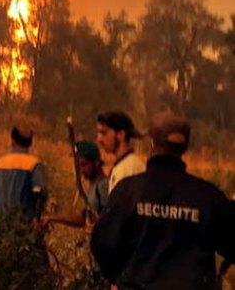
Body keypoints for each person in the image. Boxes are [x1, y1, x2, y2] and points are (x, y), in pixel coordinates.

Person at [91, 111, 235, 290]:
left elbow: (102, 244)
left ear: (152, 142)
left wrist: (121, 277)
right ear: (186, 147)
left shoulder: (128, 191)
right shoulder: (208, 197)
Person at [40, 140, 109, 228]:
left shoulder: (103, 186)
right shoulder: (93, 185)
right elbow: (83, 219)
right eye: (79, 166)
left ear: (96, 162)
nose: (81, 170)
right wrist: (52, 218)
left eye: (84, 165)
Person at [0, 125, 47, 224]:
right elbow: (39, 193)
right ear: (30, 143)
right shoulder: (34, 164)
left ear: (12, 141)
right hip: (23, 226)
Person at [96, 111, 145, 192]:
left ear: (121, 134)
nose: (99, 139)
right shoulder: (121, 167)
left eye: (104, 133)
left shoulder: (130, 169)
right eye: (98, 133)